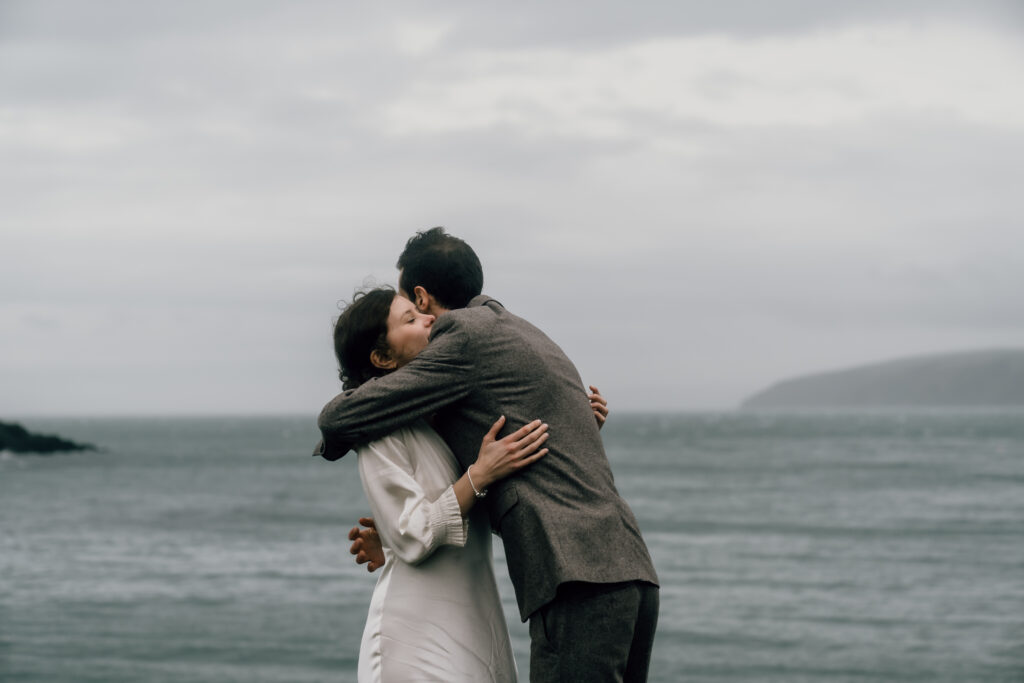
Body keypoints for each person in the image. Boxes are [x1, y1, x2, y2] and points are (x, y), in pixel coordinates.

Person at [316, 227, 659, 682]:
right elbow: (468, 474)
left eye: (410, 307)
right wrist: (392, 534)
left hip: (580, 579)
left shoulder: (462, 337)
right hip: (630, 571)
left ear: (421, 297)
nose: (423, 322)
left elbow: (339, 419)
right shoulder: (522, 332)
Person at [333, 287, 553, 682]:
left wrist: (570, 431)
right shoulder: (377, 431)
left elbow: (492, 500)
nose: (429, 318)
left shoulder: (443, 418)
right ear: (382, 358)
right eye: (410, 319)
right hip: (415, 638)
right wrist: (480, 473)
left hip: (474, 625)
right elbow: (414, 532)